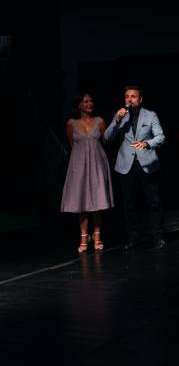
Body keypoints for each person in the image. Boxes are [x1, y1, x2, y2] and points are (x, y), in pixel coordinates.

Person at [104, 85, 166, 250]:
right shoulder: (120, 115)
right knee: (129, 204)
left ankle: (157, 236)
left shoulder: (150, 115)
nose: (129, 99)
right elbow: (107, 137)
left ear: (140, 99)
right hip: (126, 164)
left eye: (133, 96)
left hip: (147, 163)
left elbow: (160, 137)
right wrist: (117, 120)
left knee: (153, 202)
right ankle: (133, 237)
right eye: (127, 96)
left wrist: (147, 143)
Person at [61, 93, 114, 252]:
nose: (89, 103)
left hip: (97, 162)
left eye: (91, 101)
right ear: (79, 105)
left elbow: (105, 141)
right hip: (79, 164)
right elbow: (72, 144)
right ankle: (84, 236)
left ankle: (97, 235)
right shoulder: (71, 123)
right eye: (85, 101)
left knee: (98, 200)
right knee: (82, 200)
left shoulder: (100, 121)